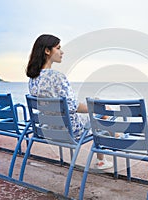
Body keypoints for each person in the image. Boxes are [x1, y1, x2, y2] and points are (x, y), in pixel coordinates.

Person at [25, 34, 113, 170]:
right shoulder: (58, 77)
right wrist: (95, 107)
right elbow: (73, 106)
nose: (62, 52)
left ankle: (114, 137)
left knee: (97, 108)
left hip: (46, 129)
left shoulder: (32, 79)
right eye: (58, 48)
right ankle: (105, 155)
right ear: (47, 51)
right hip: (69, 130)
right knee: (100, 111)